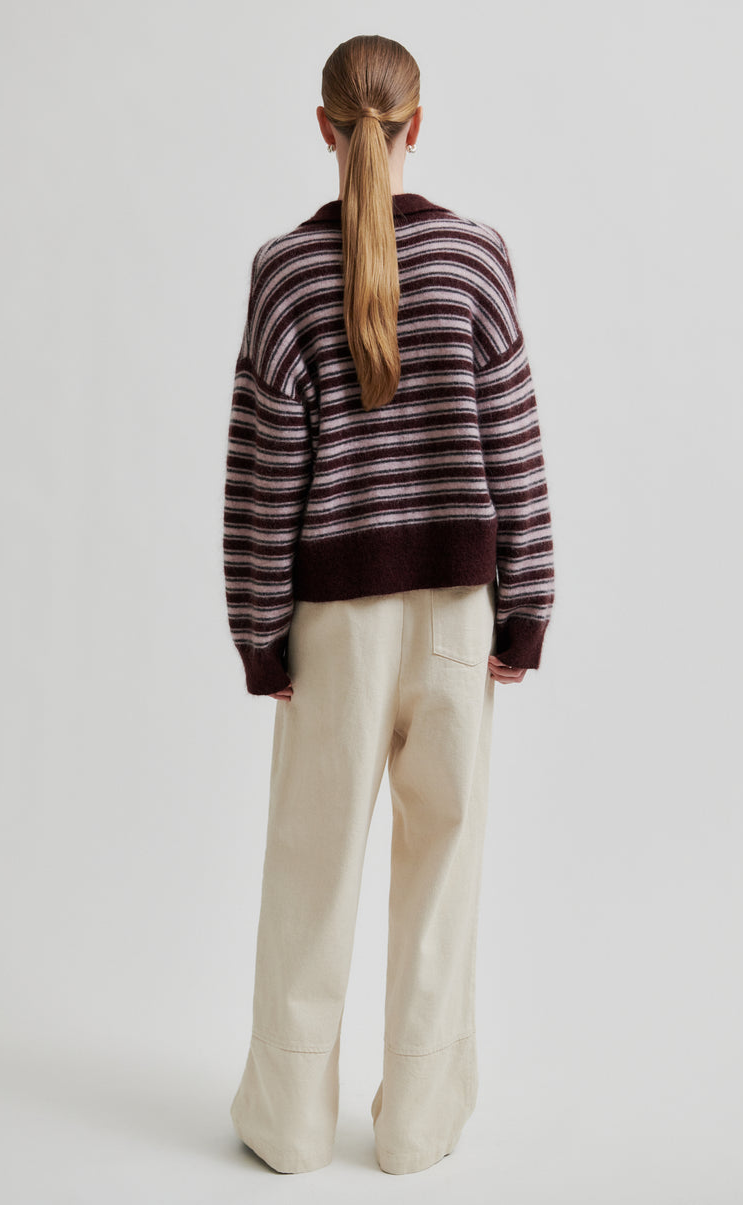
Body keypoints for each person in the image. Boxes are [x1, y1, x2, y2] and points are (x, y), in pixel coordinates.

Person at [222, 33, 555, 1176]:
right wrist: (525, 608)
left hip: (335, 628)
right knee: (441, 869)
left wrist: (260, 633)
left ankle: (286, 1123)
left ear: (322, 128)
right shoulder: (476, 259)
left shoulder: (283, 273)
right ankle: (416, 1126)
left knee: (309, 869)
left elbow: (264, 474)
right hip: (458, 616)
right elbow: (515, 447)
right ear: (419, 125)